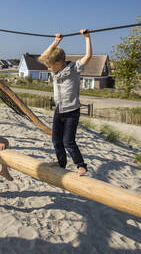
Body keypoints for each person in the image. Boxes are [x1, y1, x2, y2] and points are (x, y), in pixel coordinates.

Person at [38, 29, 92, 176]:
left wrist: (87, 37)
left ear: (60, 62)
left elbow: (88, 56)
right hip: (59, 110)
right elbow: (44, 57)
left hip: (71, 112)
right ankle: (61, 162)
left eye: (50, 65)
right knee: (56, 140)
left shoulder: (74, 69)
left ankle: (81, 165)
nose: (48, 68)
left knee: (68, 141)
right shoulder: (54, 71)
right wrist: (56, 42)